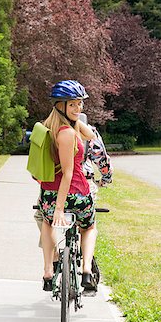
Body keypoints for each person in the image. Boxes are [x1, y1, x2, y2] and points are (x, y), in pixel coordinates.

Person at [37, 80, 98, 292]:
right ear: (60, 105)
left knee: (46, 223)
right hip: (75, 194)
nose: (78, 108)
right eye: (72, 105)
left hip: (48, 193)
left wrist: (74, 119)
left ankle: (47, 271)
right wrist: (60, 209)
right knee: (89, 227)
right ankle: (86, 270)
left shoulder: (47, 127)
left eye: (80, 104)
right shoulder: (68, 134)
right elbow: (68, 174)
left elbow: (89, 135)